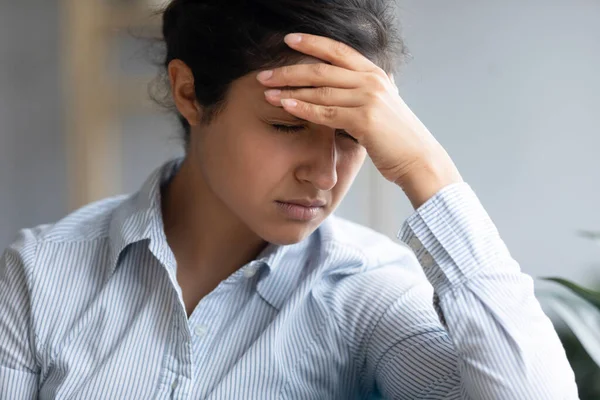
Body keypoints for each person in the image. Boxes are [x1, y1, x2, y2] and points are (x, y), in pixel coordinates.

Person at [0, 0, 579, 398]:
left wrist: (425, 169)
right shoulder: (39, 276)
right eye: (286, 126)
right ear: (190, 93)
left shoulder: (367, 289)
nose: (324, 175)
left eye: (352, 136)